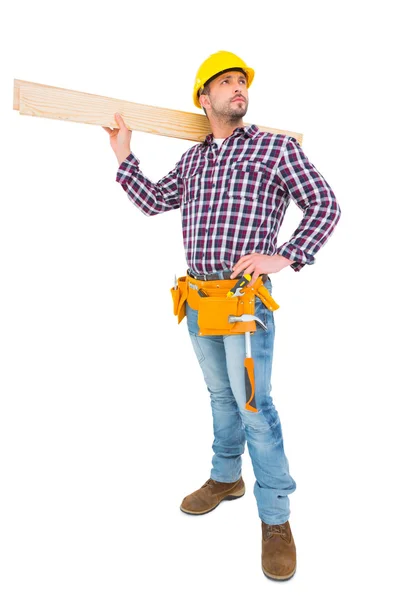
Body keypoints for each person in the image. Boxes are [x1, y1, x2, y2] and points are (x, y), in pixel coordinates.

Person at [102, 50, 341, 581]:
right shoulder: (194, 159)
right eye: (226, 82)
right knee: (219, 395)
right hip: (199, 301)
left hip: (244, 302)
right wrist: (124, 155)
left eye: (242, 81)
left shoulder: (277, 148)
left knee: (255, 405)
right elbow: (153, 200)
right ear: (203, 98)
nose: (238, 88)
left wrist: (287, 254)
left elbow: (325, 204)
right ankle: (225, 476)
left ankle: (275, 518)